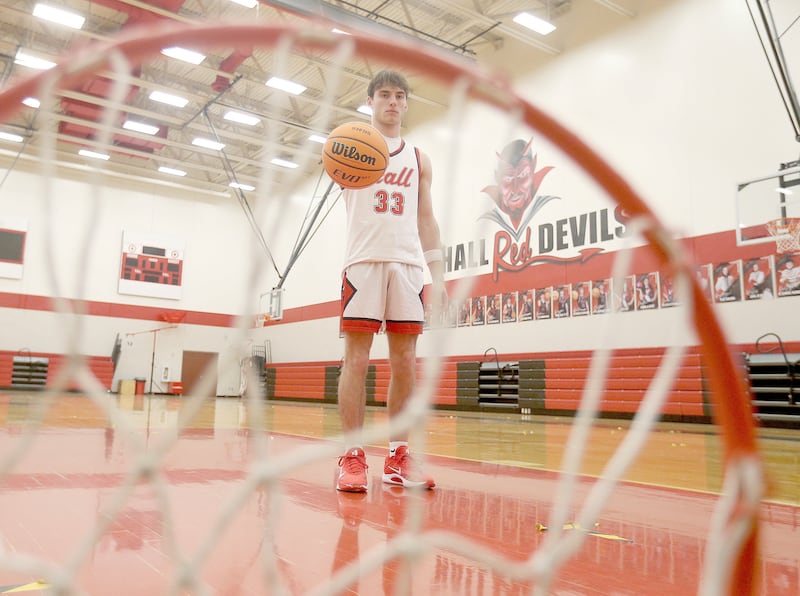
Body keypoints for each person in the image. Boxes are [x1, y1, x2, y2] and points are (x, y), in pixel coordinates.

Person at [336, 70, 445, 493]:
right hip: (362, 261)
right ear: (370, 101)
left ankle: (398, 457)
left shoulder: (419, 158)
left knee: (405, 362)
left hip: (408, 266)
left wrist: (439, 275)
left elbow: (426, 218)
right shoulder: (350, 147)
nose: (394, 102)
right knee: (356, 361)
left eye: (400, 96)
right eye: (384, 95)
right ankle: (352, 455)